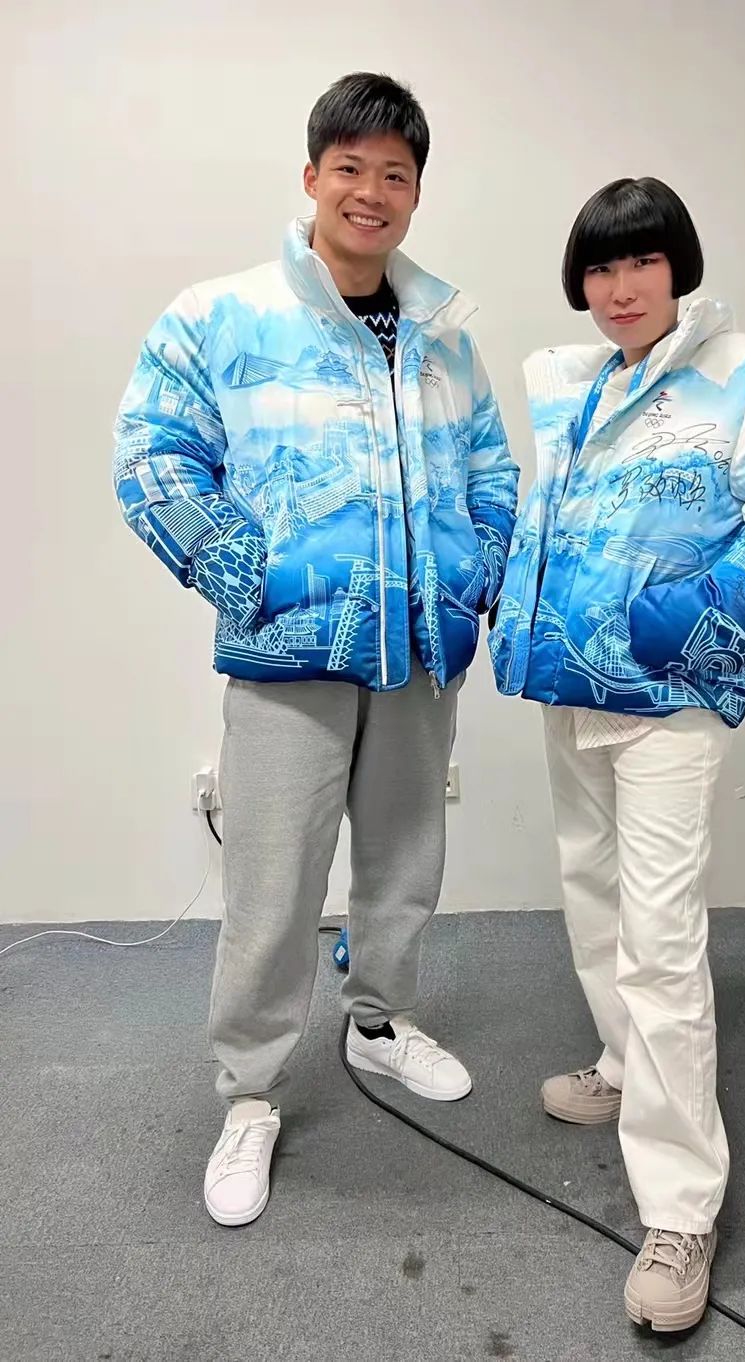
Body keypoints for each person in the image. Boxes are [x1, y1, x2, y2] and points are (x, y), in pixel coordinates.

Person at [113, 72, 519, 1228]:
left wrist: (473, 578)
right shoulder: (222, 316)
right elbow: (151, 456)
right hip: (287, 660)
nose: (370, 192)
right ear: (310, 177)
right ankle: (250, 1094)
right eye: (350, 168)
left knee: (405, 862)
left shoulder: (443, 337)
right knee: (272, 884)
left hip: (419, 654)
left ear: (415, 194)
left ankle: (380, 1021)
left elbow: (491, 469)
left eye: (395, 174)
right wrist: (250, 578)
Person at [490, 177, 745, 1331]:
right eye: (599, 268)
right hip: (566, 687)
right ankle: (620, 1064)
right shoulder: (572, 384)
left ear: (677, 265)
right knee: (592, 899)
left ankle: (680, 1210)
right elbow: (549, 524)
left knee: (658, 942)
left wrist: (666, 632)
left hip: (666, 701)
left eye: (640, 261)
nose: (619, 287)